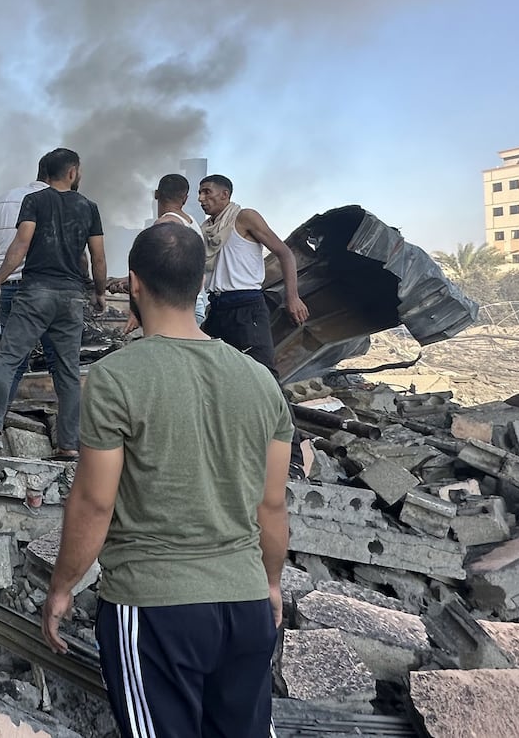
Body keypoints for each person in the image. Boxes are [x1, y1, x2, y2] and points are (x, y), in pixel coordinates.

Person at [42, 223, 291, 738]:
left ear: (133, 284)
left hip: (154, 609)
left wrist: (62, 588)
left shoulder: (116, 377)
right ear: (200, 285)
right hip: (245, 608)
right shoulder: (260, 380)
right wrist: (269, 583)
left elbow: (93, 503)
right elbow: (271, 507)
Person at [0, 148, 106, 459]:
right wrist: (99, 292)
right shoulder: (89, 207)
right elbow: (97, 258)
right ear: (72, 173)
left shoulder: (35, 201)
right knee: (67, 372)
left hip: (35, 293)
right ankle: (68, 445)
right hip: (71, 297)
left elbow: (21, 244)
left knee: (8, 359)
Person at [196, 175, 309, 376]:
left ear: (224, 195)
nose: (201, 199)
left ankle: (278, 408)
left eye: (206, 192)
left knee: (262, 375)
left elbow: (284, 253)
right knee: (212, 373)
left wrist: (292, 297)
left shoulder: (245, 217)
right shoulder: (206, 229)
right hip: (217, 309)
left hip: (246, 309)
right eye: (199, 193)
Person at [0, 157, 60, 402]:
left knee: (11, 360)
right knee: (56, 359)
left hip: (7, 288)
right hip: (44, 289)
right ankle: (67, 423)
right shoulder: (57, 201)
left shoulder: (3, 199)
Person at [121, 174, 207, 334]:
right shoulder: (191, 223)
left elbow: (151, 272)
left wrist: (135, 310)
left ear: (156, 194)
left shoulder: (164, 226)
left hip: (171, 310)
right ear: (185, 198)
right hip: (192, 306)